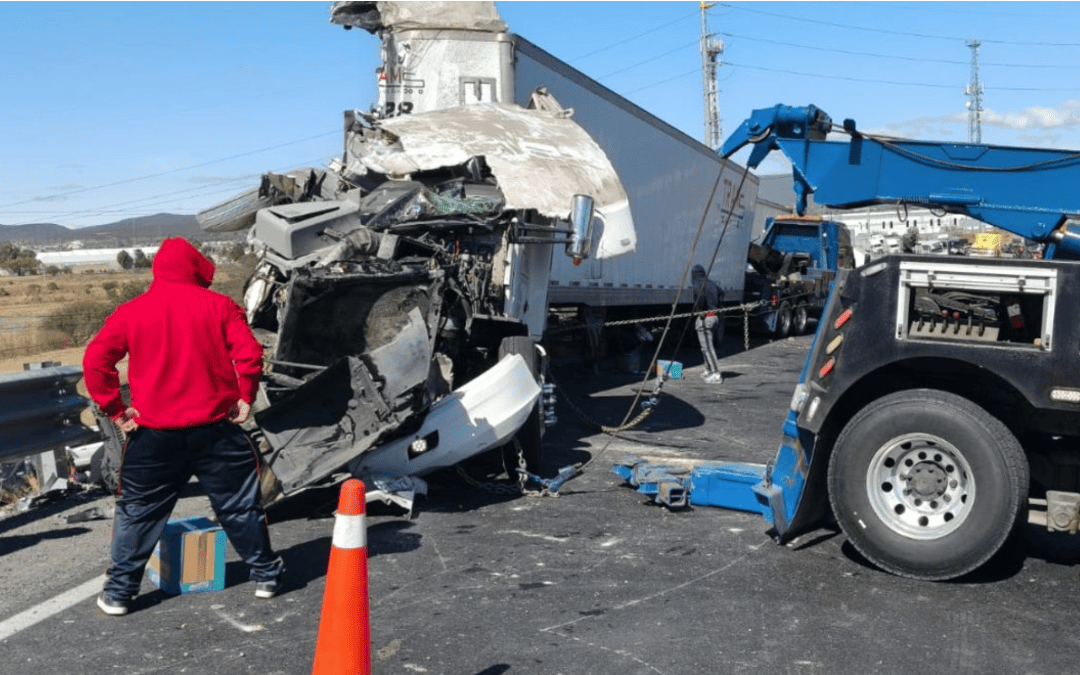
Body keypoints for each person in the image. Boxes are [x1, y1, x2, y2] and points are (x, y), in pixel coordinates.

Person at [83, 237, 283, 616]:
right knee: (240, 506)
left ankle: (119, 594)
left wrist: (117, 410)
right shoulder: (221, 306)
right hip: (216, 430)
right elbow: (250, 354)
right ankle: (266, 576)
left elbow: (95, 362)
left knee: (138, 511)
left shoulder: (131, 312)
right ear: (195, 268)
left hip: (153, 435)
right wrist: (246, 395)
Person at [691, 265, 724, 384]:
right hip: (714, 317)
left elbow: (699, 298)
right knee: (707, 346)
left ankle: (716, 374)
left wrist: (700, 310)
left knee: (707, 347)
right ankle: (708, 369)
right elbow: (722, 293)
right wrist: (718, 306)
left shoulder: (697, 283)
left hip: (706, 318)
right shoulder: (710, 283)